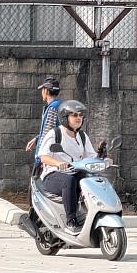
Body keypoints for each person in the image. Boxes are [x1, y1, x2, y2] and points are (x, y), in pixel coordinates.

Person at [37, 99, 97, 233]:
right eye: (74, 115)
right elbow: (43, 156)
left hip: (75, 172)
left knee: (94, 179)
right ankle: (71, 221)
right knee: (69, 181)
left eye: (80, 115)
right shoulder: (55, 134)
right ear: (65, 118)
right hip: (53, 175)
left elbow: (91, 156)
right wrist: (58, 163)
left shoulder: (82, 136)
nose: (78, 118)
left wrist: (104, 160)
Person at [25, 76, 62, 170]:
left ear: (46, 90)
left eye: (42, 90)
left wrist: (39, 157)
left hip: (48, 158)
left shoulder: (53, 108)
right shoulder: (60, 105)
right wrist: (36, 139)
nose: (42, 92)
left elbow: (48, 134)